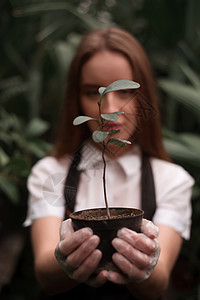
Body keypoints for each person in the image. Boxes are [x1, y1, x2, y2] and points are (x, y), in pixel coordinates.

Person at [24, 27, 194, 300]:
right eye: (94, 93)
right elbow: (45, 274)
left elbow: (158, 283)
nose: (110, 108)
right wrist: (64, 259)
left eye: (125, 90)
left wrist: (144, 265)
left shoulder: (172, 180)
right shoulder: (50, 173)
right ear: (76, 100)